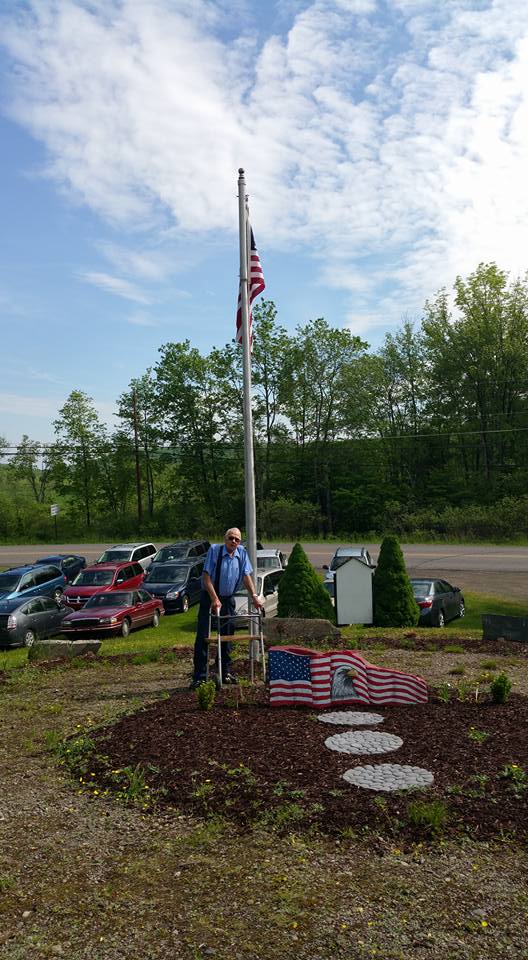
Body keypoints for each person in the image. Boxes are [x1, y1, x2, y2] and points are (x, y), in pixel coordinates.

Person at [190, 527, 264, 688]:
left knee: (228, 634)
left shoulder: (242, 553)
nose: (234, 542)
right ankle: (200, 677)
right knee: (204, 636)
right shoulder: (215, 551)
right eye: (231, 538)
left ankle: (225, 672)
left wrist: (255, 597)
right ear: (225, 539)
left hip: (228, 599)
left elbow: (246, 576)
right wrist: (214, 599)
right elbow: (206, 576)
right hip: (210, 598)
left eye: (237, 539)